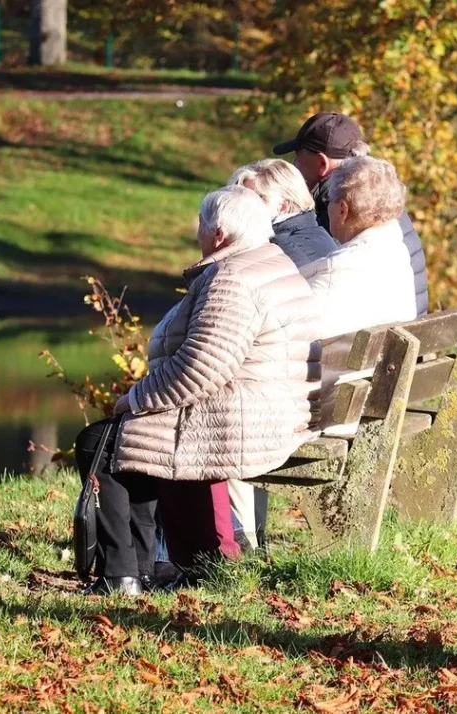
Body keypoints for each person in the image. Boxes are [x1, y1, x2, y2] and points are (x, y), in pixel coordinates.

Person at [73, 185, 321, 596]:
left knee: (100, 444)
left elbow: (200, 368)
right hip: (266, 405)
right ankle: (142, 570)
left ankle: (122, 576)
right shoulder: (267, 262)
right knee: (131, 441)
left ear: (218, 234)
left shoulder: (233, 279)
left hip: (243, 416)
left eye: (201, 226)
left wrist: (134, 398)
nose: (198, 234)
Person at [225, 158, 334, 552]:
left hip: (307, 405)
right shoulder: (319, 240)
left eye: (250, 201)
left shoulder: (275, 257)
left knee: (222, 419)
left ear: (283, 206)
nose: (239, 211)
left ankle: (242, 546)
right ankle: (248, 538)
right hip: (331, 392)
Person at [272, 112, 429, 316]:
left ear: (322, 163)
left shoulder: (337, 205)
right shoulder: (381, 195)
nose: (294, 166)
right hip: (406, 324)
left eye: (298, 159)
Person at [306, 156, 416, 361]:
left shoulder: (339, 269)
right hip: (378, 377)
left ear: (342, 209)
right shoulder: (396, 251)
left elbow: (296, 339)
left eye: (329, 200)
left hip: (340, 387)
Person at [228, 159, 337, 271]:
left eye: (255, 199)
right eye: (239, 198)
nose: (241, 206)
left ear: (283, 206)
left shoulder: (275, 250)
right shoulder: (317, 233)